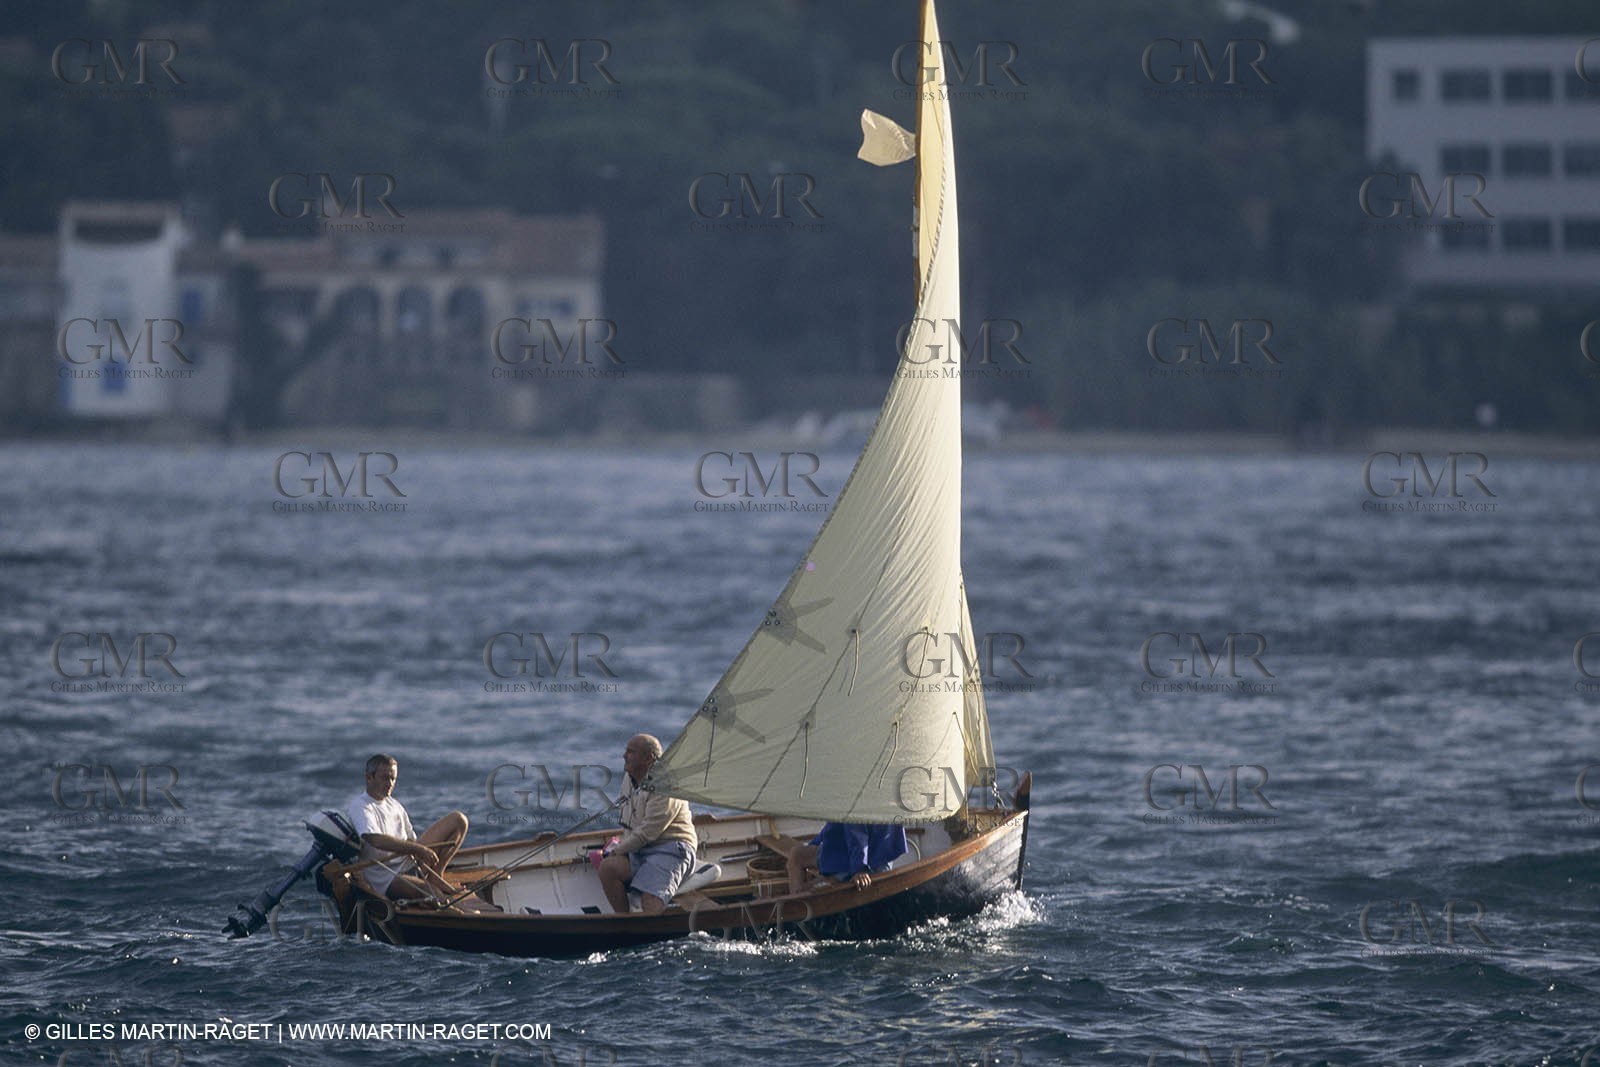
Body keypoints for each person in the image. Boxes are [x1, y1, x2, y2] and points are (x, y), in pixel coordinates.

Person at [348, 753, 471, 902]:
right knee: (435, 895)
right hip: (388, 877)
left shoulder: (395, 805)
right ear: (369, 777)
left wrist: (420, 852)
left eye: (393, 778)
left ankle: (435, 875)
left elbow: (411, 840)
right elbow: (375, 840)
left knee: (458, 820)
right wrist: (419, 849)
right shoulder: (361, 806)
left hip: (410, 864)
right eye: (385, 778)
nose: (390, 783)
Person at [596, 734, 698, 914]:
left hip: (671, 848)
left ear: (649, 758)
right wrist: (619, 849)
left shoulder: (666, 784)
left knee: (650, 900)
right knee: (608, 869)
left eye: (631, 752)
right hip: (642, 849)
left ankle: (652, 927)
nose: (624, 756)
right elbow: (629, 823)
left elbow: (648, 832)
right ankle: (624, 922)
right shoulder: (630, 778)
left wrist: (617, 851)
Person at [786, 822, 907, 894]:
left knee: (796, 856)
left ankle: (797, 910)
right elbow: (834, 825)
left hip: (862, 861)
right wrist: (813, 844)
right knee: (798, 854)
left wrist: (859, 869)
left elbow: (856, 829)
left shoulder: (853, 792)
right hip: (883, 853)